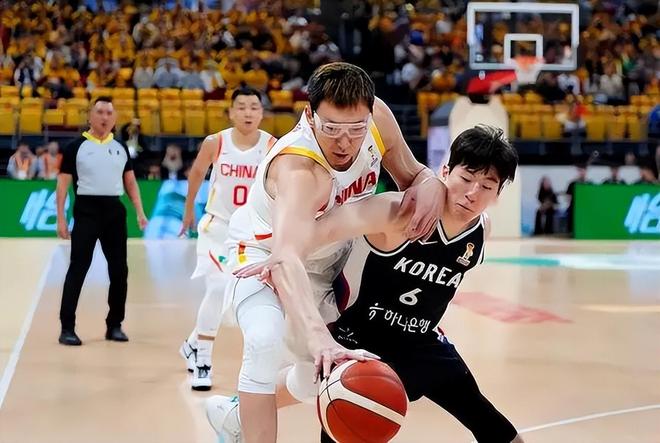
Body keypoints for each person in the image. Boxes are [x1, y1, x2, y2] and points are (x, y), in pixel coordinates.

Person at [207, 125, 524, 443]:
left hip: (420, 342)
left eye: (487, 186)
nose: (472, 193)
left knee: (493, 426)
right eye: (466, 179)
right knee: (337, 414)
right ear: (445, 171)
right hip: (356, 340)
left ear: (498, 194)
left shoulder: (480, 232)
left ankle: (233, 414)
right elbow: (318, 231)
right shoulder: (397, 212)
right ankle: (236, 414)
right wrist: (281, 253)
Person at [207, 62, 444, 443]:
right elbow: (285, 258)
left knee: (314, 378)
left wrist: (430, 181)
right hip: (264, 254)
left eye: (355, 128)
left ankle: (234, 415)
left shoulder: (378, 119)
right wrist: (319, 337)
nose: (344, 142)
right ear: (309, 115)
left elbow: (412, 175)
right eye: (331, 128)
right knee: (264, 341)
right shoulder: (300, 170)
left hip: (330, 259)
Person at [177, 86, 276, 391]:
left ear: (261, 113)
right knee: (218, 287)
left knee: (231, 296)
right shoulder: (215, 142)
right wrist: (188, 210)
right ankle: (203, 360)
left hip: (249, 231)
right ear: (231, 112)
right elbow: (197, 173)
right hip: (217, 227)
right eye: (241, 107)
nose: (248, 112)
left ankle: (192, 343)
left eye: (254, 107)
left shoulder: (272, 145)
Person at [56, 96, 148, 346]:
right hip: (86, 211)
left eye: (109, 112)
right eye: (100, 112)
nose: (104, 117)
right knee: (78, 268)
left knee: (119, 271)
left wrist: (140, 211)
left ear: (115, 118)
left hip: (114, 213)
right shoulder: (75, 147)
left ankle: (114, 324)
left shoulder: (120, 148)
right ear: (90, 116)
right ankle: (67, 327)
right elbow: (62, 186)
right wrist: (61, 218)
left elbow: (130, 182)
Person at [565, 163, 590, 235]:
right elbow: (568, 197)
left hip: (585, 207)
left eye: (584, 170)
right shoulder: (572, 183)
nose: (582, 172)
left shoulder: (589, 183)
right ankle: (570, 231)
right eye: (580, 170)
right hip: (574, 207)